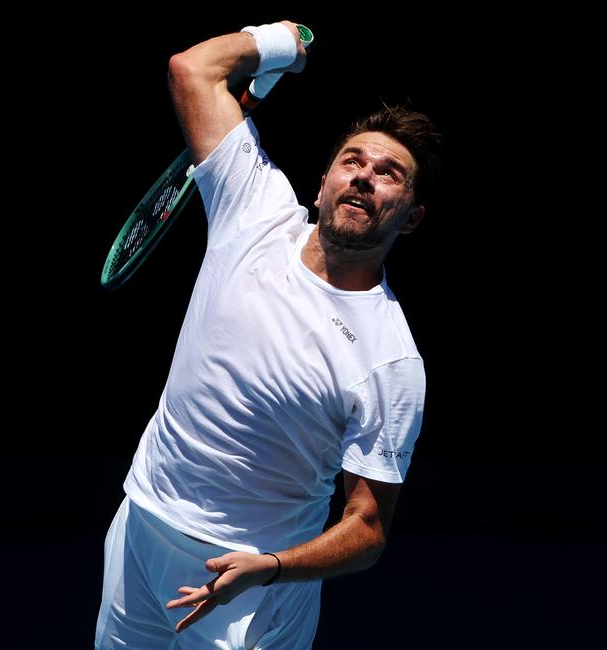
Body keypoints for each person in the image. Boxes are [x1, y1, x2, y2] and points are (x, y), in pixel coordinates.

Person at [95, 19, 441, 650]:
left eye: (388, 173)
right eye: (352, 161)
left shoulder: (390, 360)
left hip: (252, 588)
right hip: (141, 525)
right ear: (322, 183)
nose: (364, 175)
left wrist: (273, 568)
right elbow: (192, 69)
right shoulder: (255, 209)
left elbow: (367, 529)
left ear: (411, 217)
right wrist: (281, 40)